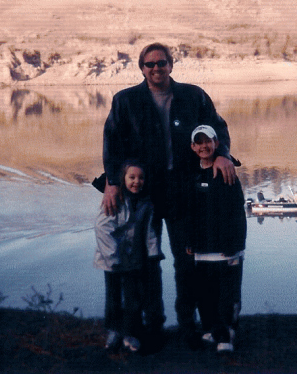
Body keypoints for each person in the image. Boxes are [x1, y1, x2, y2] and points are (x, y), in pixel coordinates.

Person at [101, 42, 236, 347]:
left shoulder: (194, 95)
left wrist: (223, 154)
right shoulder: (125, 101)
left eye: (162, 63)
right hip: (142, 195)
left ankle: (189, 326)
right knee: (145, 263)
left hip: (183, 193)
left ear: (171, 65)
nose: (156, 68)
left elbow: (217, 128)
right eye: (150, 64)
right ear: (142, 68)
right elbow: (112, 143)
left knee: (186, 261)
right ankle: (153, 326)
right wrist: (112, 181)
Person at [93, 160, 164, 353]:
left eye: (140, 178)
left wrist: (153, 253)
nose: (136, 182)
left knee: (133, 297)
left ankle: (130, 332)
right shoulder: (114, 199)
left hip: (133, 259)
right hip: (112, 260)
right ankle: (114, 330)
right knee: (114, 296)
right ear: (123, 179)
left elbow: (150, 232)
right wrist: (112, 257)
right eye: (131, 177)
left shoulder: (147, 203)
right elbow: (102, 228)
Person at [187, 125, 247, 353]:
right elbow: (191, 213)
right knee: (206, 294)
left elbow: (237, 212)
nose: (204, 146)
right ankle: (212, 329)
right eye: (199, 142)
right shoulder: (193, 176)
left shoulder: (227, 172)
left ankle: (226, 335)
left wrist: (235, 244)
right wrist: (191, 241)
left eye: (208, 141)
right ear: (193, 147)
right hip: (203, 249)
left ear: (217, 143)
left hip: (227, 249)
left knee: (228, 296)